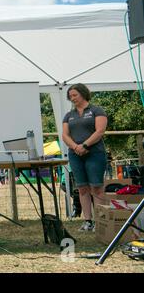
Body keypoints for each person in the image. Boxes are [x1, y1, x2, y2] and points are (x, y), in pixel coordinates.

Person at [62, 83, 108, 232]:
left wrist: (85, 145)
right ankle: (88, 221)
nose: (72, 98)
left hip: (94, 153)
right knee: (82, 188)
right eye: (70, 97)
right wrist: (76, 147)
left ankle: (101, 221)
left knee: (97, 187)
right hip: (75, 155)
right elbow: (65, 135)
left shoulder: (96, 110)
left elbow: (100, 131)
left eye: (75, 95)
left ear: (83, 94)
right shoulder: (69, 115)